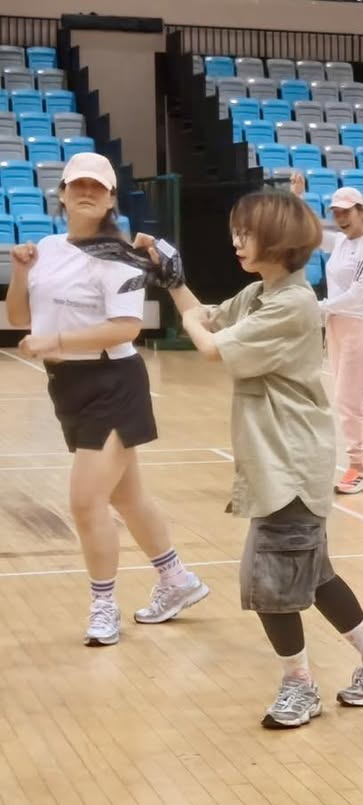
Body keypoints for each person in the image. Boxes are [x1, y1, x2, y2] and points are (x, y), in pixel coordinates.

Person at [137, 189, 363, 726]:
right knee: (315, 578)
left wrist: (180, 303)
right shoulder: (261, 293)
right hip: (280, 461)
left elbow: (212, 347)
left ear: (279, 242)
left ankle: (300, 687)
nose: (237, 240)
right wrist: (175, 280)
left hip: (288, 464)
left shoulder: (293, 304)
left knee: (268, 586)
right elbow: (205, 317)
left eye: (247, 232)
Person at [4, 152, 208, 646]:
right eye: (79, 185)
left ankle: (103, 605)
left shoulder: (120, 256)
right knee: (126, 495)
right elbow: (16, 318)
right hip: (67, 387)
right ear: (63, 193)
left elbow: (126, 326)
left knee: (85, 501)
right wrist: (19, 272)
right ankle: (177, 579)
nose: (88, 192)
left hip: (113, 382)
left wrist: (54, 343)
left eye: (98, 186)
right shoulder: (47, 249)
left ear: (112, 197)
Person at [290, 175, 363, 495]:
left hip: (358, 327)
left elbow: (356, 295)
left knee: (346, 401)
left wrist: (319, 306)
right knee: (352, 397)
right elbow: (306, 230)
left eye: (346, 211)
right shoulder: (339, 242)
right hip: (336, 326)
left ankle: (358, 466)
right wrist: (297, 197)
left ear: (361, 211)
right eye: (336, 212)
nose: (340, 216)